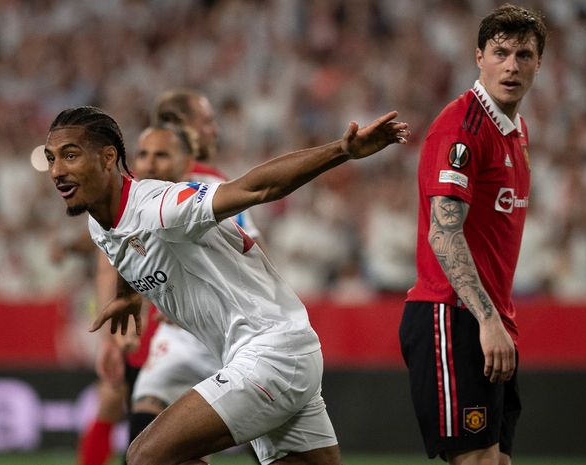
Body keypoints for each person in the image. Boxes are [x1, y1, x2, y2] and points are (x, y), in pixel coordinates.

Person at [45, 105, 408, 465]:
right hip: (273, 352)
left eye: (70, 155)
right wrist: (128, 297)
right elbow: (122, 246)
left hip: (271, 354)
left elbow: (256, 188)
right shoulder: (101, 224)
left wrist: (342, 150)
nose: (57, 171)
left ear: (108, 157)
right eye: (51, 158)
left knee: (146, 456)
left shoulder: (161, 206)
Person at [399, 4, 546, 465]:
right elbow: (444, 234)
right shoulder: (463, 129)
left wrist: (496, 319)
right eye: (500, 52)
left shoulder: (515, 131)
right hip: (453, 314)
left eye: (524, 55)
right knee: (478, 461)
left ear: (539, 63)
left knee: (497, 460)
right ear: (478, 56)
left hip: (489, 318)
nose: (512, 65)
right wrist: (487, 320)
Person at [129, 90, 264, 463]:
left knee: (264, 438)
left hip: (227, 329)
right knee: (148, 423)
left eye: (158, 155)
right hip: (181, 334)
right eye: (207, 121)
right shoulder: (140, 198)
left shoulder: (209, 188)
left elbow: (251, 248)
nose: (214, 130)